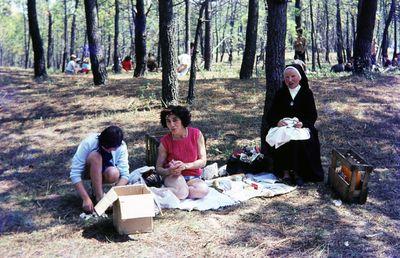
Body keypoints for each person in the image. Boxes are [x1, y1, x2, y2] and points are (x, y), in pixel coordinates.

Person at [266, 64, 324, 186]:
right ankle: (286, 173)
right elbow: (271, 114)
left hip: (300, 126)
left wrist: (303, 123)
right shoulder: (280, 93)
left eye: (293, 76)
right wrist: (277, 122)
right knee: (283, 137)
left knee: (298, 139)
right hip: (284, 126)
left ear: (300, 78)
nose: (290, 80)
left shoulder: (306, 93)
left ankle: (298, 173)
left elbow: (312, 115)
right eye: (287, 77)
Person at [70, 126, 129, 213]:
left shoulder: (121, 147)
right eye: (105, 148)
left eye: (112, 149)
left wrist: (111, 197)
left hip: (105, 171)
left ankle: (100, 196)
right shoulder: (89, 142)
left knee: (114, 173)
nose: (108, 151)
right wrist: (85, 198)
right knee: (96, 157)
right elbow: (75, 174)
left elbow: (125, 176)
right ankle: (99, 197)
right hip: (87, 170)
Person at [155, 106, 209, 200]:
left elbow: (203, 161)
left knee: (203, 191)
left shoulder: (196, 134)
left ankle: (178, 191)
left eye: (175, 120)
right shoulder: (165, 141)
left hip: (193, 176)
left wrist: (185, 166)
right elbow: (158, 168)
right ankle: (152, 191)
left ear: (183, 120)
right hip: (173, 176)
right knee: (182, 193)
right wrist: (169, 171)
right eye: (168, 121)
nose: (172, 124)